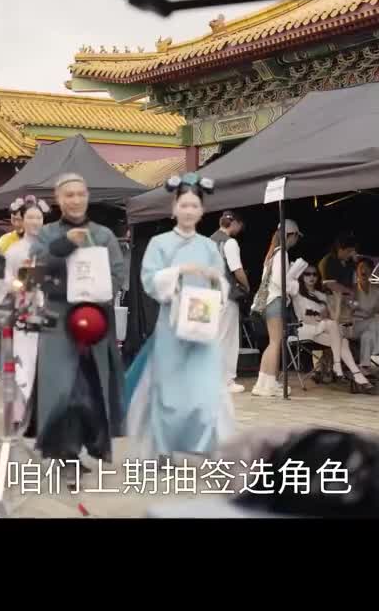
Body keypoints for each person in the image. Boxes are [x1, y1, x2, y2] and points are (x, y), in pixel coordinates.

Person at [126, 173, 235, 459]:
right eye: (183, 205)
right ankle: (162, 449)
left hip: (202, 325)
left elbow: (223, 285)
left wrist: (214, 279)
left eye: (194, 206)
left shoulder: (209, 247)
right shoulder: (159, 243)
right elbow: (150, 280)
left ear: (202, 211)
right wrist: (179, 271)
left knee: (206, 389)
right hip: (171, 326)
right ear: (174, 208)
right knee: (168, 392)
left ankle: (209, 447)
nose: (188, 211)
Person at [28, 173, 127, 471]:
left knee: (91, 382)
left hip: (96, 318)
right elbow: (37, 270)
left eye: (80, 194)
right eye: (68, 195)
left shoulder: (103, 235)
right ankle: (64, 451)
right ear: (58, 200)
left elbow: (118, 272)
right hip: (59, 316)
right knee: (62, 384)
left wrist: (98, 293)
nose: (75, 200)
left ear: (87, 197)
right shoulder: (47, 234)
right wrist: (64, 245)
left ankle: (88, 444)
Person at [1, 195, 50, 421]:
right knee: (23, 358)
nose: (34, 221)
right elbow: (5, 278)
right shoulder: (14, 250)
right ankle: (22, 410)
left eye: (38, 217)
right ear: (22, 220)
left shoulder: (51, 248)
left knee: (45, 358)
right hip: (23, 310)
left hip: (48, 308)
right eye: (30, 217)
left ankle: (43, 408)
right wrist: (17, 287)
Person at [294, 265, 375, 394]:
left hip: (321, 329)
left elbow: (334, 319)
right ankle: (338, 365)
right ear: (301, 276)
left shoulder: (321, 296)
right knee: (333, 329)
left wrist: (338, 301)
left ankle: (358, 376)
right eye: (307, 274)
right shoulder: (297, 293)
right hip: (304, 329)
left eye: (314, 274)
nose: (311, 277)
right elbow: (305, 317)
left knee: (343, 340)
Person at [249, 219, 302, 398]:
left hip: (266, 302)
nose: (296, 240)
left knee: (272, 343)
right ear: (291, 235)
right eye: (296, 236)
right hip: (275, 301)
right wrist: (294, 284)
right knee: (275, 343)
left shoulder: (272, 254)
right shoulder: (282, 254)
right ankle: (270, 384)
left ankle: (262, 383)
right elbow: (281, 281)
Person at [210, 210, 250, 394]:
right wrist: (247, 286)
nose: (240, 230)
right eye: (240, 226)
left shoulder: (209, 241)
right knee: (228, 339)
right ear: (235, 223)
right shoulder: (230, 242)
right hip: (226, 296)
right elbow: (237, 269)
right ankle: (226, 381)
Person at [348, 257, 379, 375]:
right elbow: (349, 312)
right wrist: (366, 315)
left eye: (367, 268)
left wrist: (370, 316)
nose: (364, 270)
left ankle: (364, 367)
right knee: (373, 322)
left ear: (371, 271)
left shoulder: (378, 290)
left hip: (372, 327)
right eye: (361, 267)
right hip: (353, 327)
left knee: (367, 335)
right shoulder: (351, 289)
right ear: (356, 271)